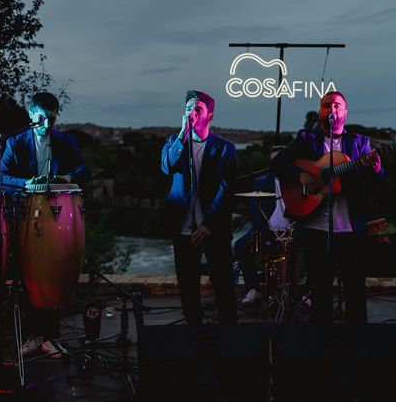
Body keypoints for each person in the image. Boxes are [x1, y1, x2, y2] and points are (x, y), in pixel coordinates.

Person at [270, 91, 383, 323]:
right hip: (315, 229)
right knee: (320, 293)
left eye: (337, 106)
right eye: (326, 105)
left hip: (349, 228)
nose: (332, 109)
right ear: (320, 111)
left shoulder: (360, 143)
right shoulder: (305, 139)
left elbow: (374, 184)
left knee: (354, 290)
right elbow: (277, 162)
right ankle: (322, 347)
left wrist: (377, 169)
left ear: (345, 112)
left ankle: (356, 344)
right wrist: (301, 174)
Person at [0, 91, 90, 358]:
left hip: (57, 217)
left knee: (55, 273)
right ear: (31, 114)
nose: (47, 124)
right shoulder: (15, 143)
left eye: (51, 118)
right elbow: (1, 176)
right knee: (26, 275)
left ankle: (50, 336)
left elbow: (85, 170)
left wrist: (68, 176)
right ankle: (35, 335)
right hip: (23, 216)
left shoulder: (66, 141)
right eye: (41, 118)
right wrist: (25, 183)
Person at [160, 90, 238, 324]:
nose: (192, 113)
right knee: (188, 288)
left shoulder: (225, 148)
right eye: (188, 109)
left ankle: (229, 339)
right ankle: (194, 339)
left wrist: (209, 225)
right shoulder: (174, 142)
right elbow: (167, 167)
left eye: (198, 109)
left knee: (223, 285)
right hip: (182, 228)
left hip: (214, 228)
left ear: (210, 115)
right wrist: (183, 135)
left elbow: (225, 190)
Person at [234, 145, 293, 306]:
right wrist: (263, 231)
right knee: (240, 246)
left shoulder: (296, 181)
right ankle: (253, 289)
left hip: (291, 230)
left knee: (316, 245)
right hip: (266, 229)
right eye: (273, 161)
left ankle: (307, 292)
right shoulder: (261, 181)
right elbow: (254, 210)